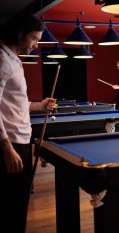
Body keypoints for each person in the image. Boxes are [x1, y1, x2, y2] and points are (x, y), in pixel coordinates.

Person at [0, 13, 57, 233]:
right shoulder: (2, 60)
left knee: (20, 202)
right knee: (11, 206)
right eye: (34, 38)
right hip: (11, 143)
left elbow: (15, 103)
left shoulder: (13, 59)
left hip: (21, 140)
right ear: (20, 33)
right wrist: (6, 147)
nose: (35, 45)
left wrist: (39, 106)